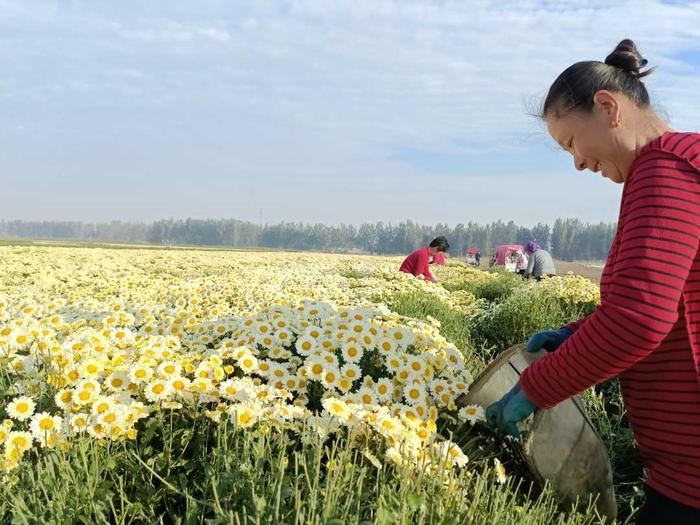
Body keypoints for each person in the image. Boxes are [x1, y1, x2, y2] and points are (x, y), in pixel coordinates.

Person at [486, 39, 700, 522]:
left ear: (608, 108)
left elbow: (638, 321)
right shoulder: (682, 164)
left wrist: (535, 389)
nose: (578, 162)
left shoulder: (666, 168)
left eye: (571, 143)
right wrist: (578, 335)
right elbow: (672, 303)